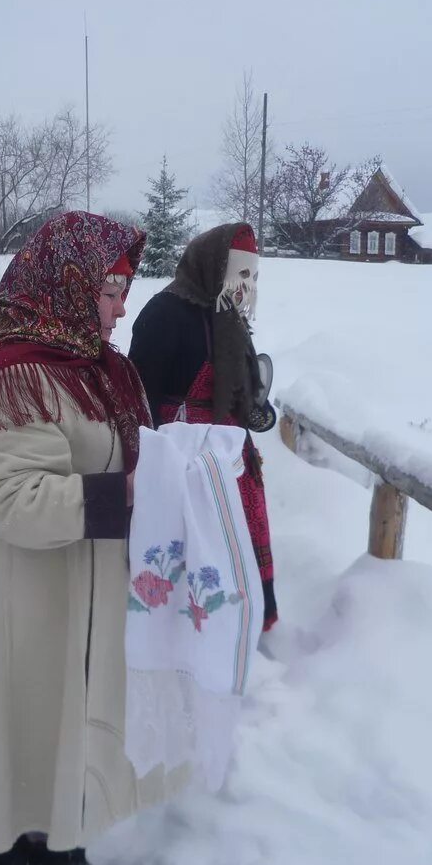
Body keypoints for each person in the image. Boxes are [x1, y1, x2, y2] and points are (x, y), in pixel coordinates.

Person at [0, 212, 174, 865]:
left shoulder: (95, 365)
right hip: (20, 597)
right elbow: (17, 502)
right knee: (13, 733)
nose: (122, 306)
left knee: (68, 729)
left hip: (84, 585)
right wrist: (125, 495)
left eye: (125, 289)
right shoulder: (17, 374)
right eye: (110, 289)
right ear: (66, 285)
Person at [128, 223, 279, 630]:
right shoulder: (166, 314)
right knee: (194, 555)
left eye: (254, 275)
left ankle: (240, 627)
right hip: (185, 462)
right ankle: (190, 633)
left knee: (234, 545)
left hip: (230, 461)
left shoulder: (228, 317)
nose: (247, 285)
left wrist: (252, 408)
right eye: (240, 272)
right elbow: (139, 392)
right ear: (214, 266)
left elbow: (240, 384)